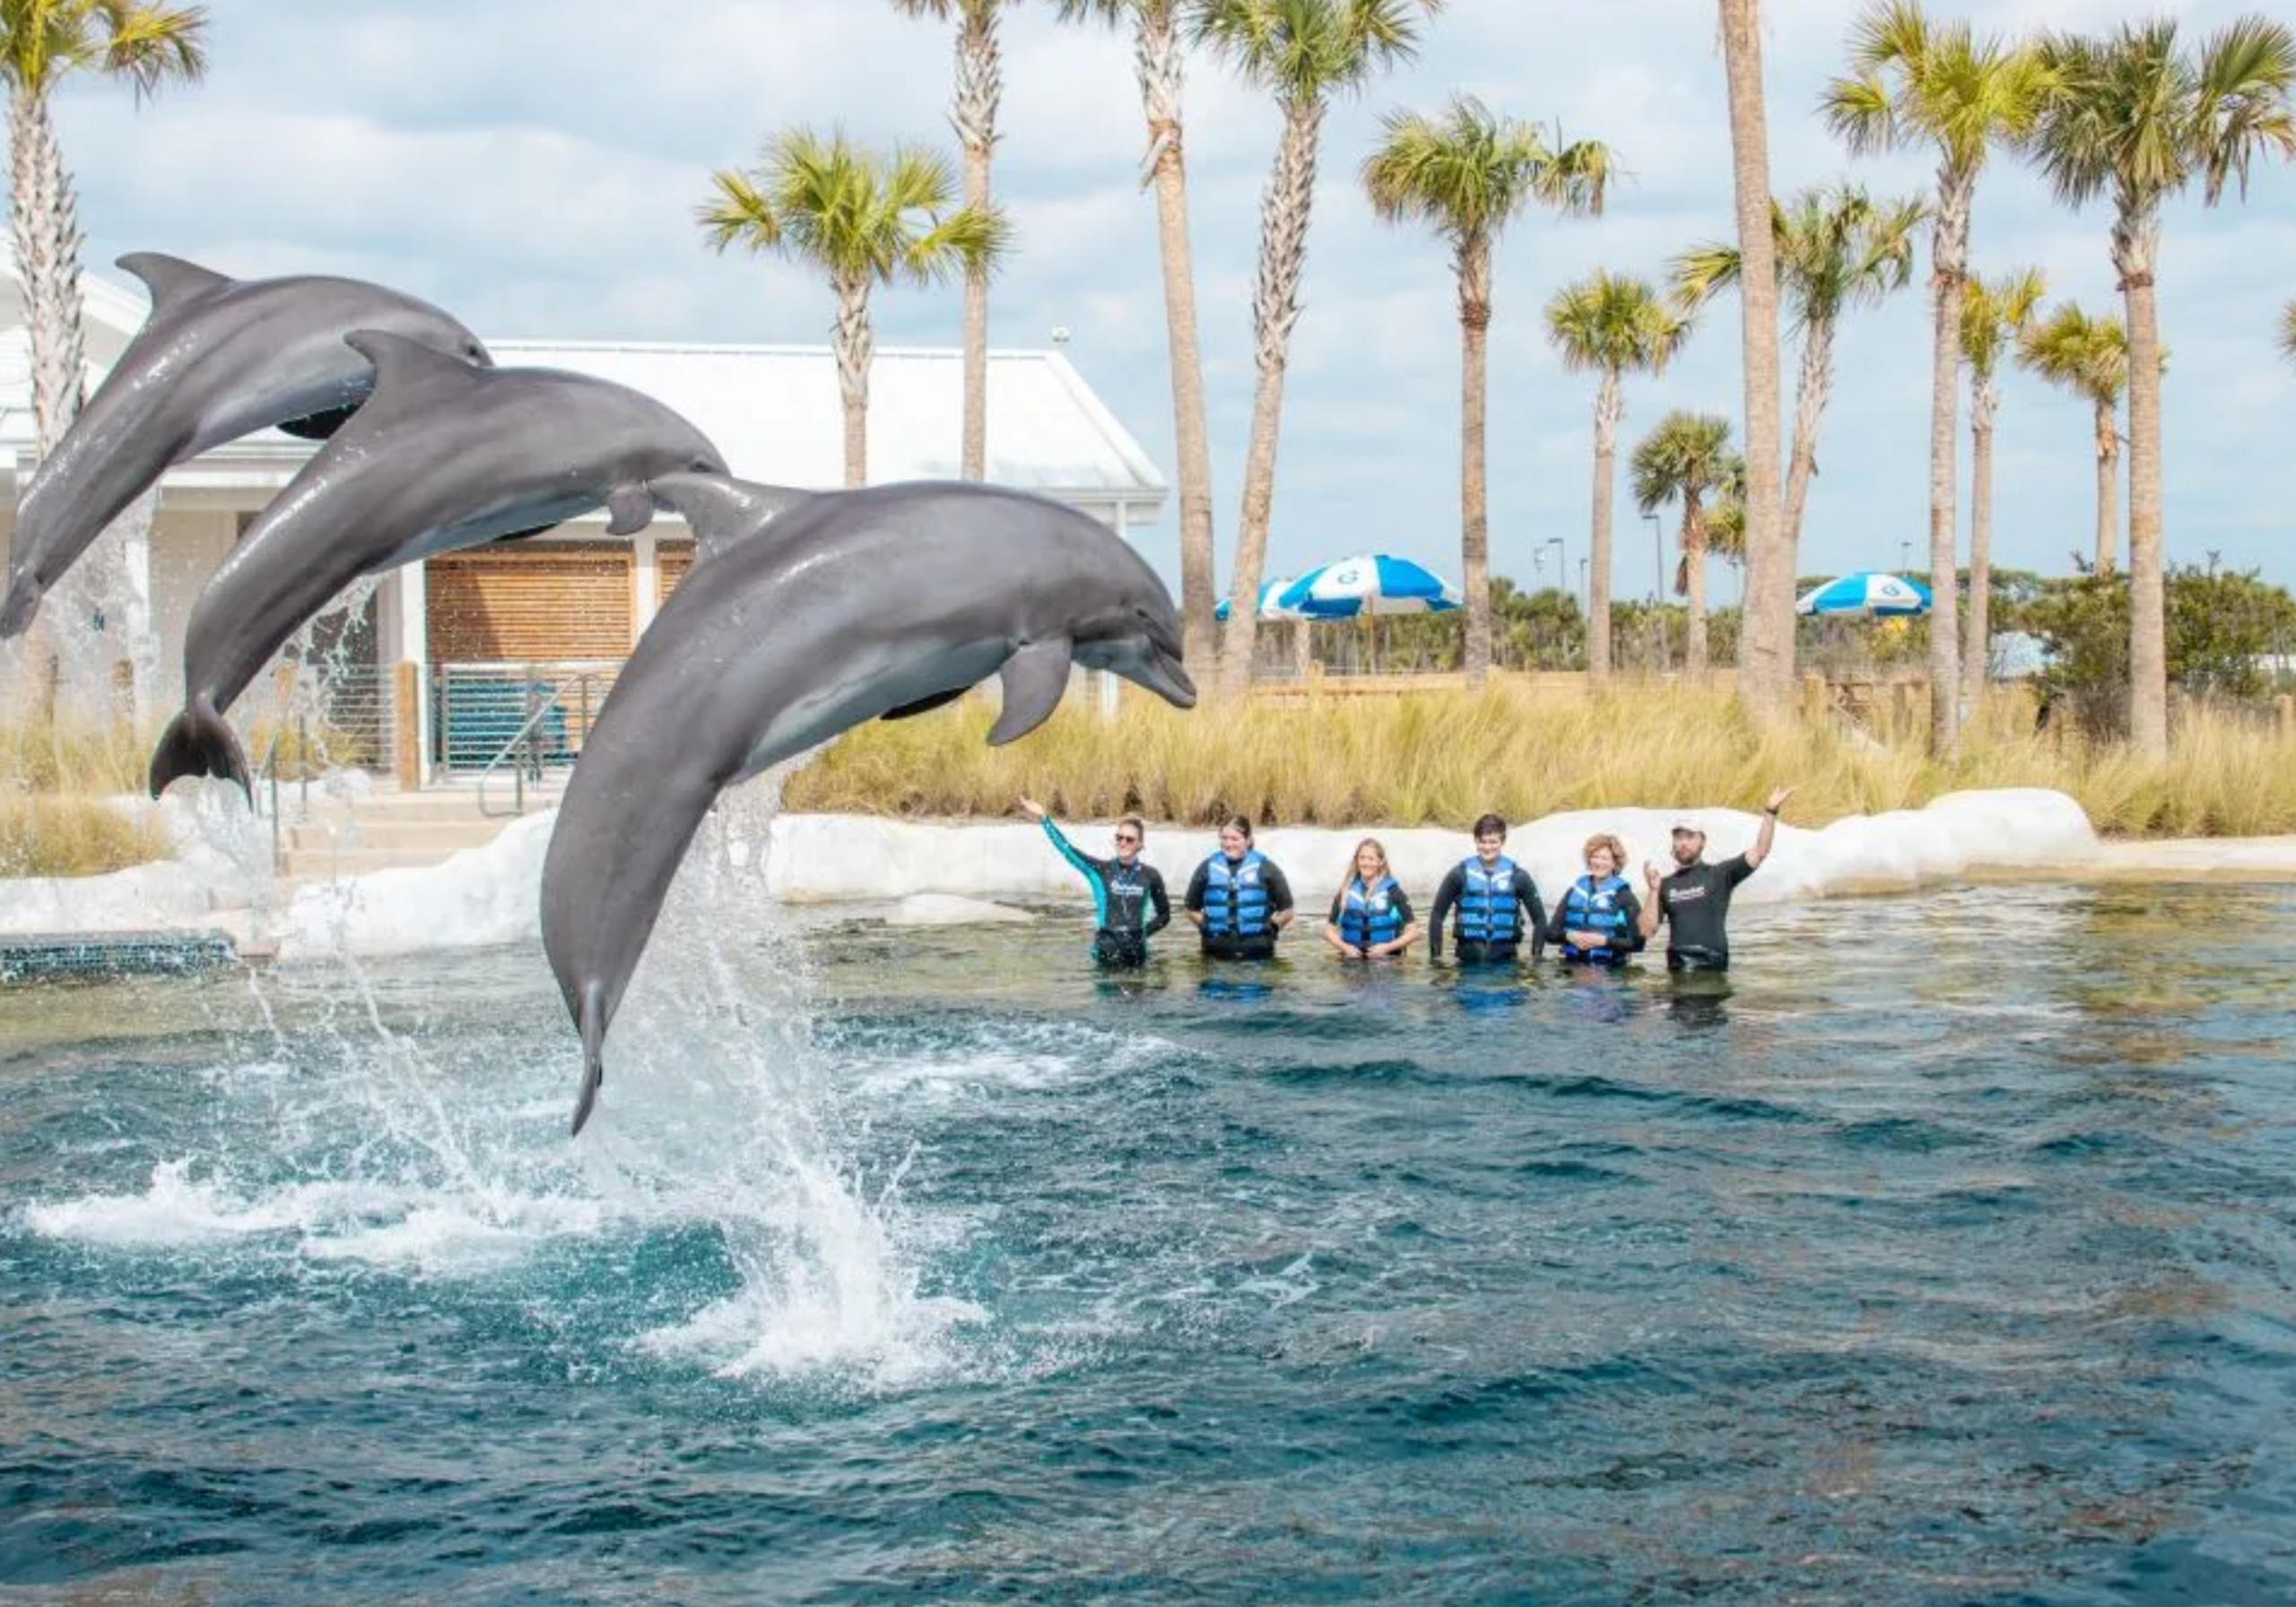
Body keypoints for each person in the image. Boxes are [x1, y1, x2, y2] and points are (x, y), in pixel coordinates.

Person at [1638, 786, 1794, 971]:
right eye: (1678, 837)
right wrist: (1653, 891)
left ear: (1702, 841)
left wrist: (1770, 812)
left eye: (1690, 836)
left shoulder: (1720, 874)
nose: (1683, 843)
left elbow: (1760, 851)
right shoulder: (1665, 884)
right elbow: (1646, 931)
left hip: (1712, 965)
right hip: (1679, 967)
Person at [1020, 797, 1170, 967]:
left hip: (1136, 957)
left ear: (1140, 845)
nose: (1123, 843)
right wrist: (1044, 819)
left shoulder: (1150, 875)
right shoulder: (1100, 870)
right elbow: (1067, 849)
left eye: (1129, 839)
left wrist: (1142, 934)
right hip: (1106, 954)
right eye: (1119, 837)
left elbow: (1164, 916)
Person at [1425, 812, 1545, 965]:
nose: (1487, 847)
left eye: (1493, 842)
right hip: (1467, 964)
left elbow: (1540, 919)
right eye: (1482, 842)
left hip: (1506, 965)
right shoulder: (1459, 874)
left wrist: (1536, 958)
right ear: (1475, 840)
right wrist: (1436, 959)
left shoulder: (1519, 876)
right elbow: (1437, 915)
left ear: (1502, 841)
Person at [1184, 814, 1295, 960]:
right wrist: (1207, 927)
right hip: (1215, 954)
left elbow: (1287, 911)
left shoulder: (1267, 868)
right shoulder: (1206, 867)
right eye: (1224, 838)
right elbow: (1190, 909)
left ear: (1248, 840)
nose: (1228, 844)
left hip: (1258, 954)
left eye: (1234, 839)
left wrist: (1272, 929)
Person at [1544, 832, 1645, 967]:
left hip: (1610, 970)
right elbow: (1550, 934)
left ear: (1615, 863)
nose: (1598, 862)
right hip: (1571, 970)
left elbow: (1638, 943)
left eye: (1605, 858)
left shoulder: (1624, 896)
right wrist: (1568, 936)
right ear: (1588, 859)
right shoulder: (1574, 891)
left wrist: (1603, 941)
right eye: (1594, 857)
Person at [1324, 837, 1420, 960]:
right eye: (1362, 858)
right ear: (1356, 861)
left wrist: (1386, 948)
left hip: (1387, 961)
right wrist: (1345, 948)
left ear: (1380, 862)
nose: (1366, 863)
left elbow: (1413, 932)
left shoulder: (1393, 892)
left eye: (1371, 859)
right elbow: (1329, 930)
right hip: (1351, 962)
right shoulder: (1345, 892)